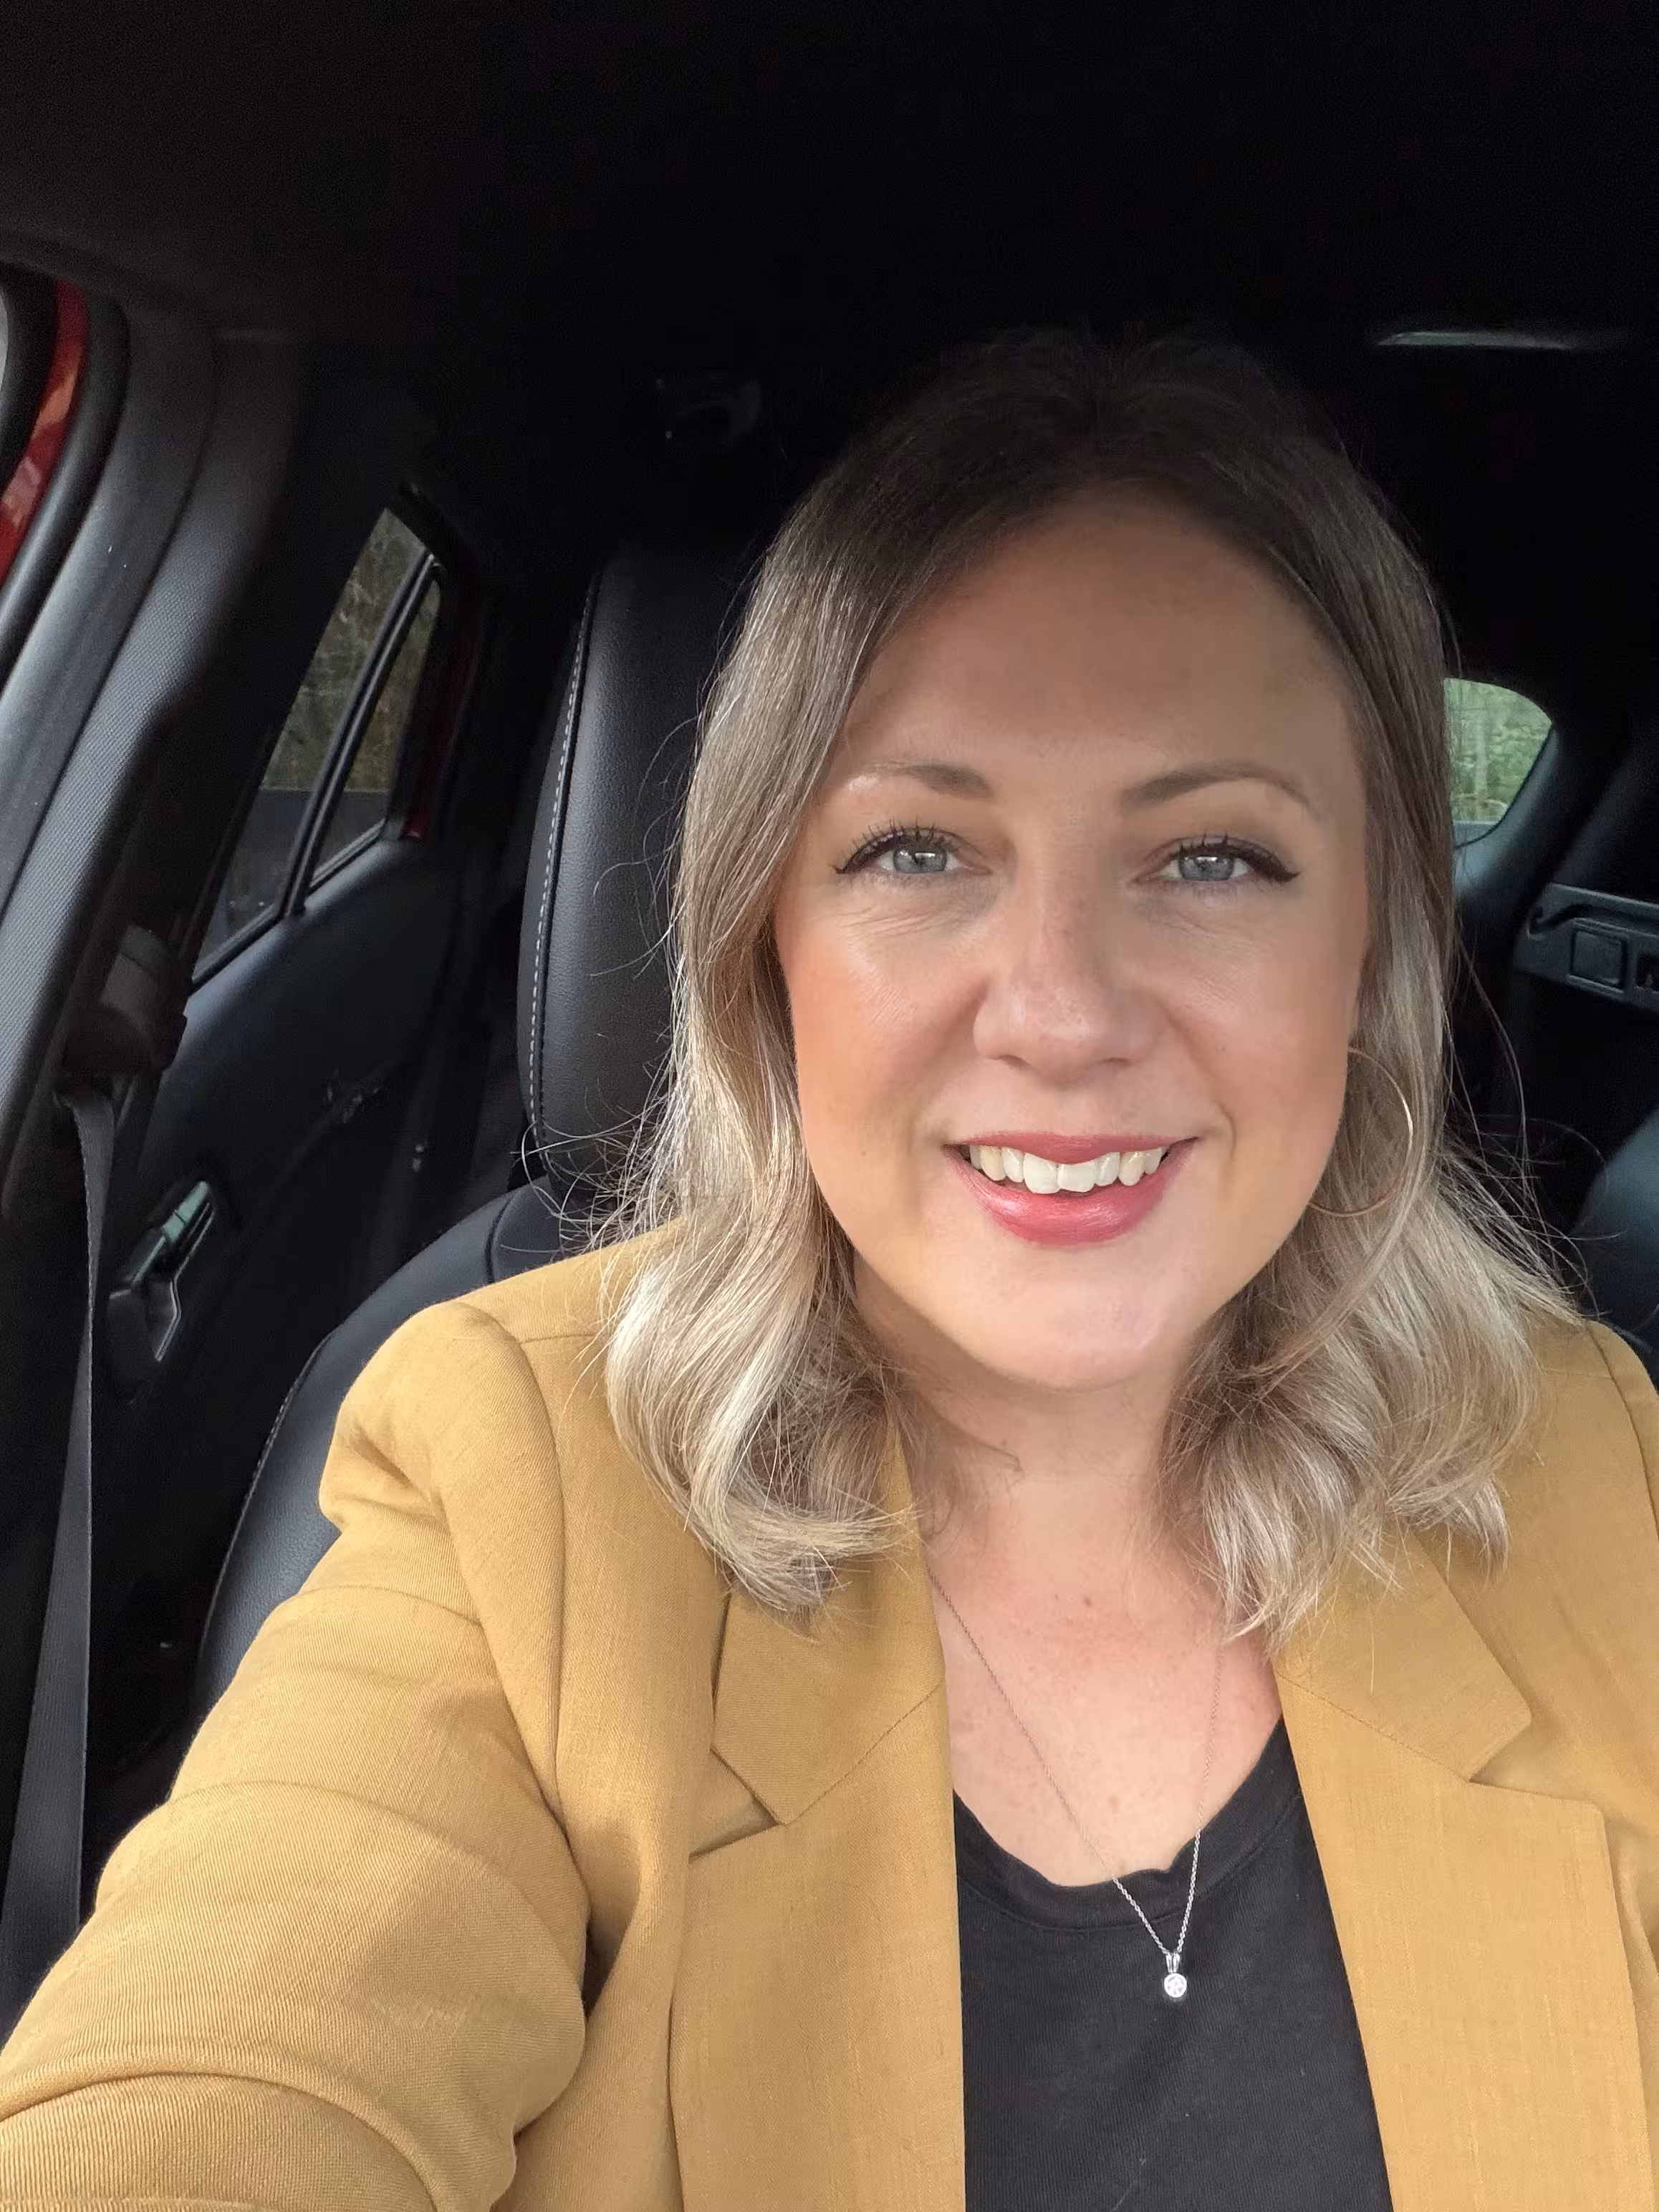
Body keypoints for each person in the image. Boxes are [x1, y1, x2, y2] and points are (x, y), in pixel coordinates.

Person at [1, 327, 1657, 2211]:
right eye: (920, 847)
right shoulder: (515, 1474)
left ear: (1368, 960)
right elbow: (241, 2059)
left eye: (1211, 860)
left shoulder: (1579, 1463)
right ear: (764, 945)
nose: (1059, 1016)